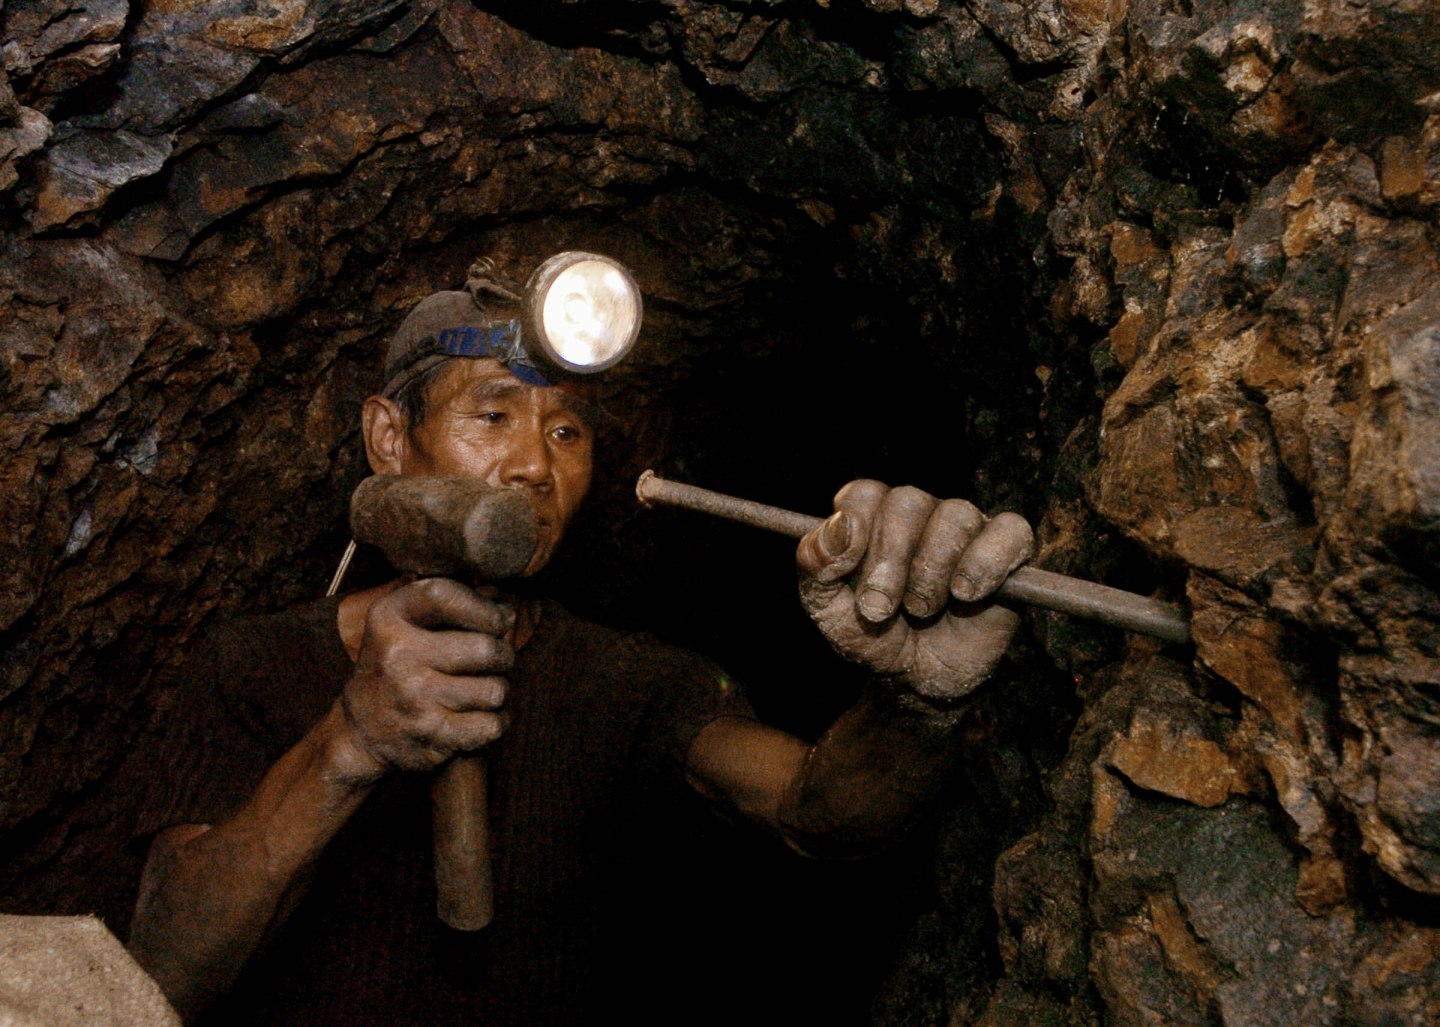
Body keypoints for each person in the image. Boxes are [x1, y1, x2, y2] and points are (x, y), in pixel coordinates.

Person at [127, 265, 1034, 1025]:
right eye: (493, 417)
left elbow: (819, 811)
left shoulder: (626, 681)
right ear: (389, 438)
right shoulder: (248, 664)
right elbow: (164, 970)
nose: (535, 465)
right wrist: (350, 741)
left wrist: (918, 702)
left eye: (567, 430)